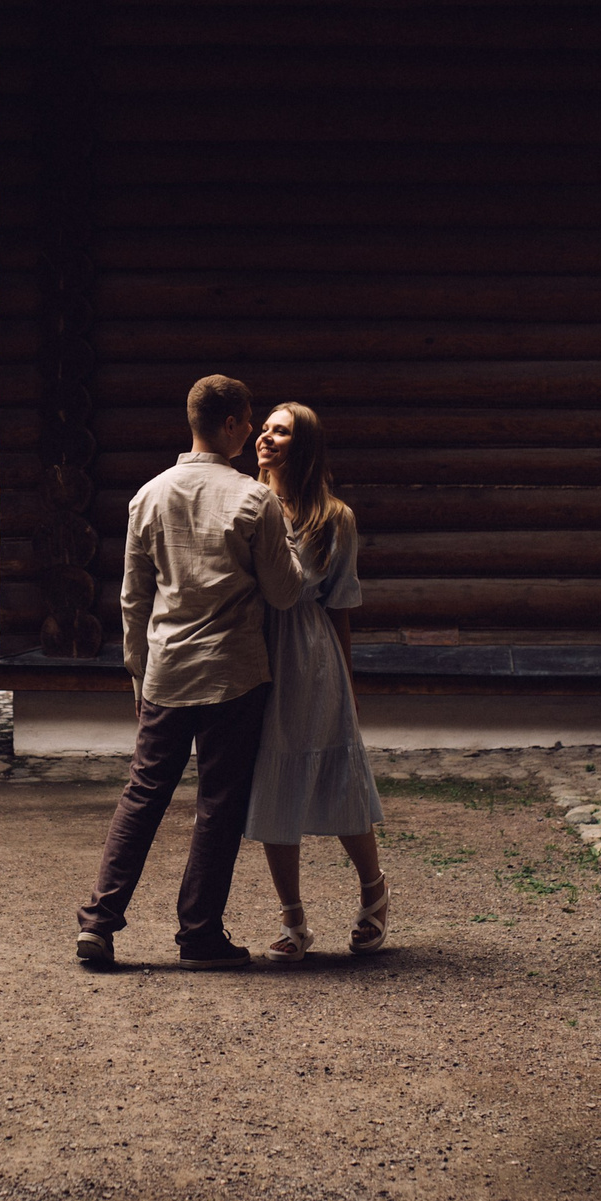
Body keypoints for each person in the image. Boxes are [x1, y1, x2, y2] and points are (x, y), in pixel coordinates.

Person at [76, 375, 305, 969]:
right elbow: (283, 594)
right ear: (229, 424)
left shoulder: (148, 496)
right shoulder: (255, 501)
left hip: (169, 671)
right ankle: (199, 935)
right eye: (248, 420)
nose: (253, 430)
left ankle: (99, 923)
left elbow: (133, 599)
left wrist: (137, 675)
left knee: (143, 795)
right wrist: (302, 560)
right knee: (218, 803)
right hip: (234, 673)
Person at [244, 402, 388, 958]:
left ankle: (374, 894)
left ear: (303, 445)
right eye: (264, 429)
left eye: (281, 431)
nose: (267, 438)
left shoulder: (334, 517)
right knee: (273, 782)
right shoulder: (248, 502)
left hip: (311, 654)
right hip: (257, 650)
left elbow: (340, 607)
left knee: (337, 776)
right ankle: (293, 921)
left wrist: (347, 685)